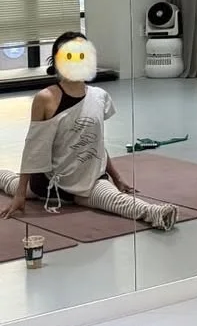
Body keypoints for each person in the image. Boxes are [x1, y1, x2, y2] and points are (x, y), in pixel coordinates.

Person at [0, 32, 178, 231]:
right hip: (50, 182)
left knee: (115, 200)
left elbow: (96, 143)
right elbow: (34, 148)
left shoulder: (99, 96)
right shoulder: (45, 99)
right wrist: (20, 194)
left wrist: (117, 178)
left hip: (90, 180)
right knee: (12, 183)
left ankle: (156, 213)